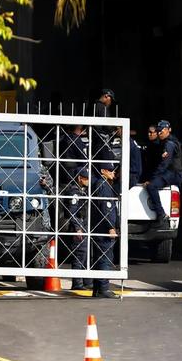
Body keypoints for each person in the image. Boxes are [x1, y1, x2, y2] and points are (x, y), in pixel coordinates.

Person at [143, 120, 182, 228]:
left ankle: (161, 214)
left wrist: (152, 179)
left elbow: (164, 165)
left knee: (151, 186)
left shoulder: (169, 144)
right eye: (158, 131)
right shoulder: (169, 142)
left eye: (161, 131)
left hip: (173, 173)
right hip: (173, 173)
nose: (159, 133)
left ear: (168, 130)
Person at [90, 165, 120, 299]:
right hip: (103, 229)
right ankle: (103, 288)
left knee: (100, 258)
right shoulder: (103, 185)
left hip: (99, 227)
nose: (113, 173)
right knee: (105, 258)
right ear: (103, 171)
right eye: (110, 170)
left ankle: (97, 288)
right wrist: (110, 226)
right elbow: (105, 208)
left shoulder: (101, 184)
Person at [64, 167, 92, 291]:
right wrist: (77, 228)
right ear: (79, 178)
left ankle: (86, 281)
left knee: (86, 255)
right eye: (86, 178)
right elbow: (72, 212)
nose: (88, 181)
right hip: (79, 226)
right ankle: (78, 283)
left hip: (83, 225)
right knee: (79, 255)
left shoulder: (82, 191)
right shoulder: (74, 192)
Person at [92, 88, 116, 160]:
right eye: (110, 99)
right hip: (102, 140)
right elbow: (107, 126)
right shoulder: (102, 108)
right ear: (106, 96)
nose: (111, 102)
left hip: (94, 140)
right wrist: (115, 130)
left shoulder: (94, 106)